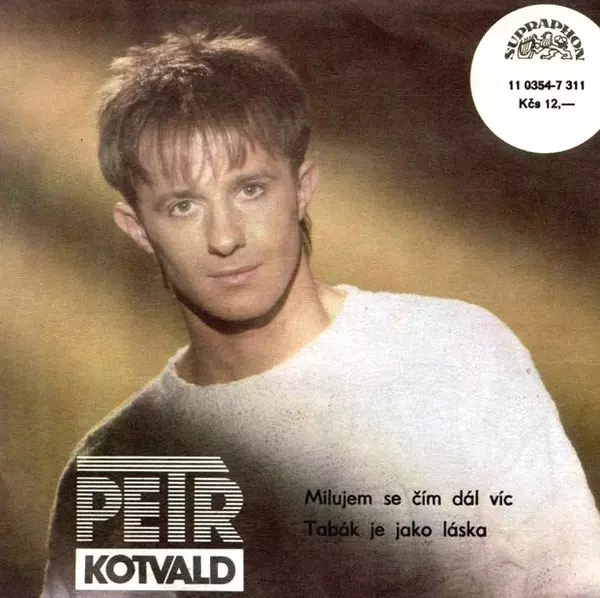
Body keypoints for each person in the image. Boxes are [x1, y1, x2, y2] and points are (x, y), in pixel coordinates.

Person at [41, 30, 600, 597]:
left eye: (250, 189)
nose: (225, 237)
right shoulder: (123, 463)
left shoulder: (455, 352)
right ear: (138, 228)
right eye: (183, 205)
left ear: (302, 187)